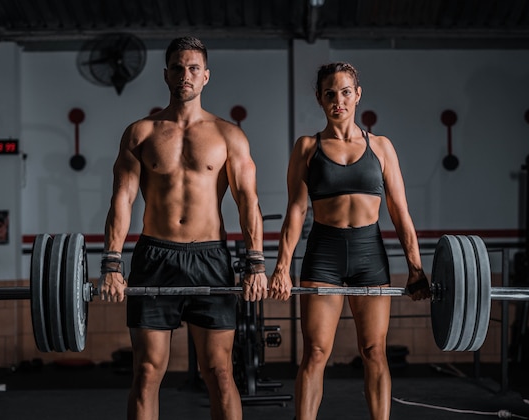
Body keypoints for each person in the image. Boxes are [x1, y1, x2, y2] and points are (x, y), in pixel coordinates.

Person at [98, 36, 269, 420]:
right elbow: (122, 200)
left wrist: (256, 264)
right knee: (145, 372)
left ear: (206, 76)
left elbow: (248, 202)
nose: (185, 75)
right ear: (166, 75)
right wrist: (111, 263)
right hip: (155, 255)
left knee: (220, 373)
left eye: (193, 68)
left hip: (210, 256)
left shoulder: (229, 136)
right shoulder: (140, 132)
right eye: (177, 67)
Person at [268, 62, 431, 420]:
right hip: (323, 254)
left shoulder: (382, 148)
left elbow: (400, 212)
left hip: (369, 255)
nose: (338, 100)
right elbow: (295, 211)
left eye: (345, 92)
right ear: (319, 99)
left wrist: (416, 268)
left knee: (374, 350)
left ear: (358, 95)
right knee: (315, 353)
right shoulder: (307, 147)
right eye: (329, 93)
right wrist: (281, 268)